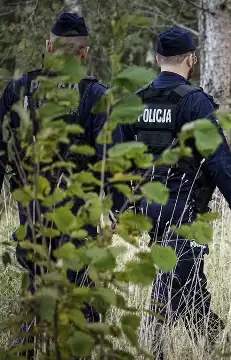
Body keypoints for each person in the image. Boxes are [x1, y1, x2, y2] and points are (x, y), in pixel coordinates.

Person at [121, 27, 231, 359]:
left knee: (183, 276)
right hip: (181, 206)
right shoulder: (194, 100)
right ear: (191, 58)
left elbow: (115, 157)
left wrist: (120, 206)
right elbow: (217, 156)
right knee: (178, 281)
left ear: (158, 59)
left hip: (143, 206)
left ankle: (210, 345)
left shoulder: (136, 100)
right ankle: (160, 346)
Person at [0, 12, 121, 358]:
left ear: (49, 46)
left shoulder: (18, 90)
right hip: (78, 211)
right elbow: (109, 158)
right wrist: (116, 207)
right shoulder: (95, 94)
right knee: (80, 288)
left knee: (36, 286)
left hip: (31, 210)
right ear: (84, 52)